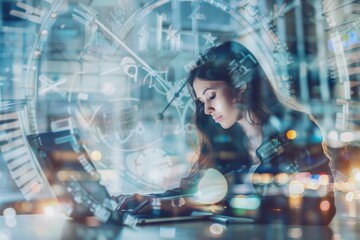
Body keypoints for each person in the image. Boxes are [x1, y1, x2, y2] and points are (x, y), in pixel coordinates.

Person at [113, 40, 336, 225]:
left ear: (240, 84)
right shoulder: (224, 143)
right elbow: (190, 192)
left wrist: (204, 202)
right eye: (202, 101)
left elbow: (320, 209)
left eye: (211, 96)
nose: (207, 109)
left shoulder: (296, 129)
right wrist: (143, 200)